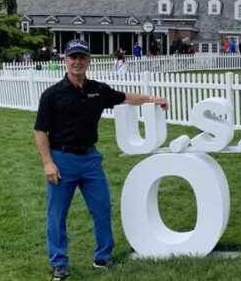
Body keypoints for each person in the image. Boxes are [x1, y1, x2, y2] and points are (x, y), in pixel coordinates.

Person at [33, 39, 168, 281]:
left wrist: (151, 99)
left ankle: (103, 258)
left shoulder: (98, 90)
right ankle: (59, 263)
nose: (77, 62)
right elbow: (40, 131)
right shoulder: (52, 95)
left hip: (90, 159)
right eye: (73, 57)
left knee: (102, 209)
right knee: (57, 214)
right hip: (62, 159)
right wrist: (47, 163)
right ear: (65, 61)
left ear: (89, 61)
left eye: (82, 57)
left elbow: (125, 97)